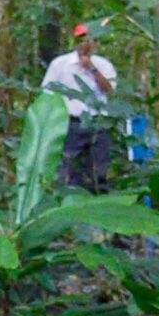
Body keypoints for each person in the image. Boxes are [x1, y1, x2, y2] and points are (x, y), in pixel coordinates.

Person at [43, 23, 121, 191]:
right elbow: (47, 93)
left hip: (98, 124)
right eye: (80, 39)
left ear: (94, 42)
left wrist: (92, 69)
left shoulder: (104, 65)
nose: (84, 43)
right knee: (69, 172)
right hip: (70, 124)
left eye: (87, 39)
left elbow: (110, 91)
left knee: (99, 172)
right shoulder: (60, 64)